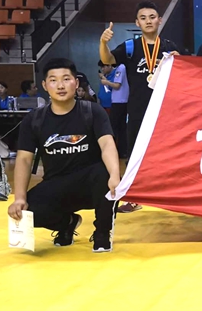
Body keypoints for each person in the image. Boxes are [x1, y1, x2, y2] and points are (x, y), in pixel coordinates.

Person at [7, 58, 120, 253]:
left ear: (76, 83)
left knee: (106, 176)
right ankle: (67, 223)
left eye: (66, 79)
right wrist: (19, 198)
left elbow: (107, 144)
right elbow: (24, 159)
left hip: (92, 183)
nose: (60, 85)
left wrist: (115, 175)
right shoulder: (34, 120)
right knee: (28, 210)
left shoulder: (92, 111)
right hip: (57, 183)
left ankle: (102, 232)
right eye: (53, 80)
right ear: (45, 85)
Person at [99, 1, 180, 213]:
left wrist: (180, 60)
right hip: (137, 109)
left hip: (164, 110)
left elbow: (183, 73)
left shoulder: (169, 47)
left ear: (159, 20)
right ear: (137, 23)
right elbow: (107, 59)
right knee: (135, 152)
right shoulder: (130, 47)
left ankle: (167, 193)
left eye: (152, 17)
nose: (148, 21)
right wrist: (103, 43)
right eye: (143, 18)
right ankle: (134, 196)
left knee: (166, 151)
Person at [100, 61, 129, 159]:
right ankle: (122, 151)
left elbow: (117, 85)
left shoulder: (121, 68)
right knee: (121, 127)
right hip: (121, 101)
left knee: (114, 127)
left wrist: (106, 82)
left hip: (119, 101)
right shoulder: (122, 68)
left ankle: (114, 151)